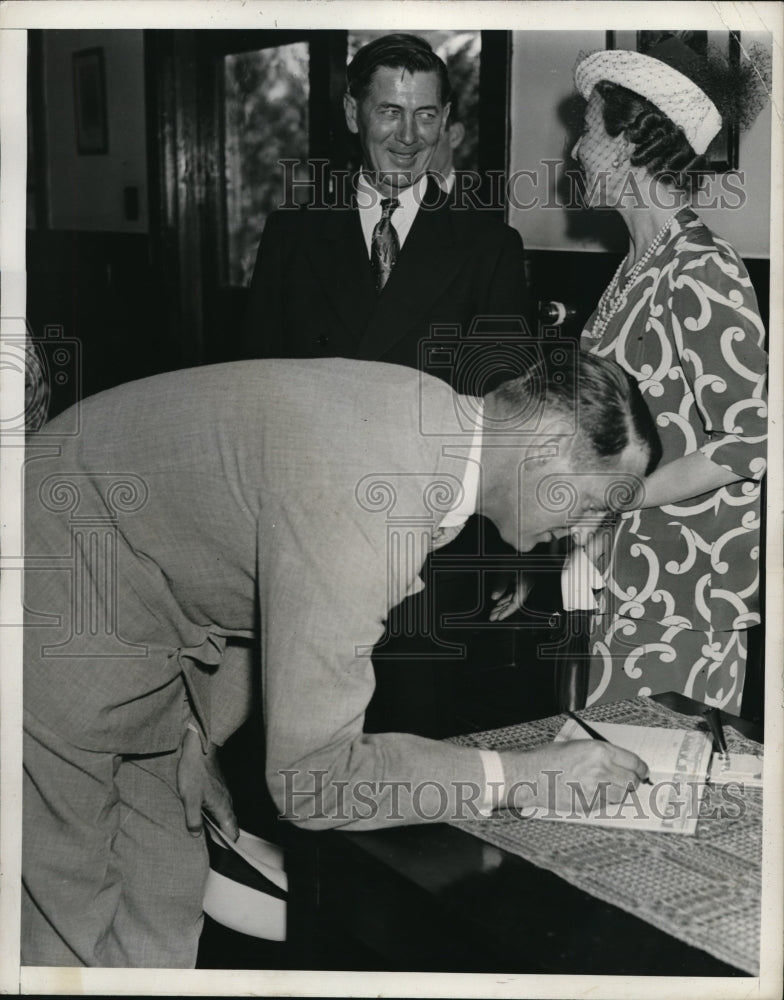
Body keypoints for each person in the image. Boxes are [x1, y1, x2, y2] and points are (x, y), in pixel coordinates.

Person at [23, 352, 658, 967]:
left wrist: (199, 732)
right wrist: (526, 777)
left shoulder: (429, 421)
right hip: (54, 600)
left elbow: (260, 588)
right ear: (545, 448)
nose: (585, 529)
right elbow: (314, 783)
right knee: (71, 914)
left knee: (163, 884)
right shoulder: (370, 500)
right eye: (596, 502)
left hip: (144, 599)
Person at [567, 39, 768, 710]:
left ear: (626, 145)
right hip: (619, 579)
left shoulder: (702, 267)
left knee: (655, 796)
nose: (574, 152)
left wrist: (614, 502)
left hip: (683, 595)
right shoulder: (633, 268)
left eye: (587, 133)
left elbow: (751, 440)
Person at [239, 33, 528, 380]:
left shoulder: (491, 247)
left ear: (445, 118)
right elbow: (257, 386)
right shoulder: (289, 236)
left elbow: (502, 402)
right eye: (391, 112)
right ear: (351, 113)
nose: (408, 136)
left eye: (425, 115)